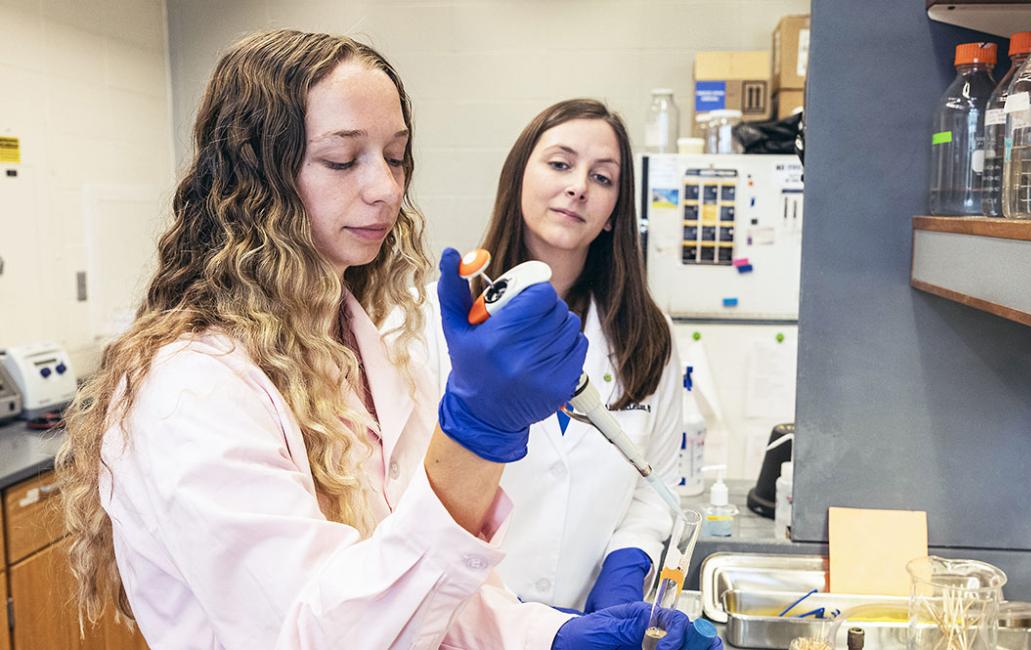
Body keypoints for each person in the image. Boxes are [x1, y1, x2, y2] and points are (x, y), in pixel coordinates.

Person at [54, 30, 711, 650]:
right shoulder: (193, 388)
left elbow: (433, 592)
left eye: (396, 157)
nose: (387, 188)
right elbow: (323, 633)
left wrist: (545, 637)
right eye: (343, 159)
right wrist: (475, 435)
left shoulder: (358, 349)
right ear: (256, 178)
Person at [420, 99, 683, 613]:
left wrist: (625, 569)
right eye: (560, 164)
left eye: (603, 178)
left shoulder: (648, 336)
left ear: (613, 215)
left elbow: (658, 482)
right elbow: (406, 481)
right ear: (518, 177)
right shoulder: (435, 318)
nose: (579, 185)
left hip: (590, 623)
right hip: (459, 621)